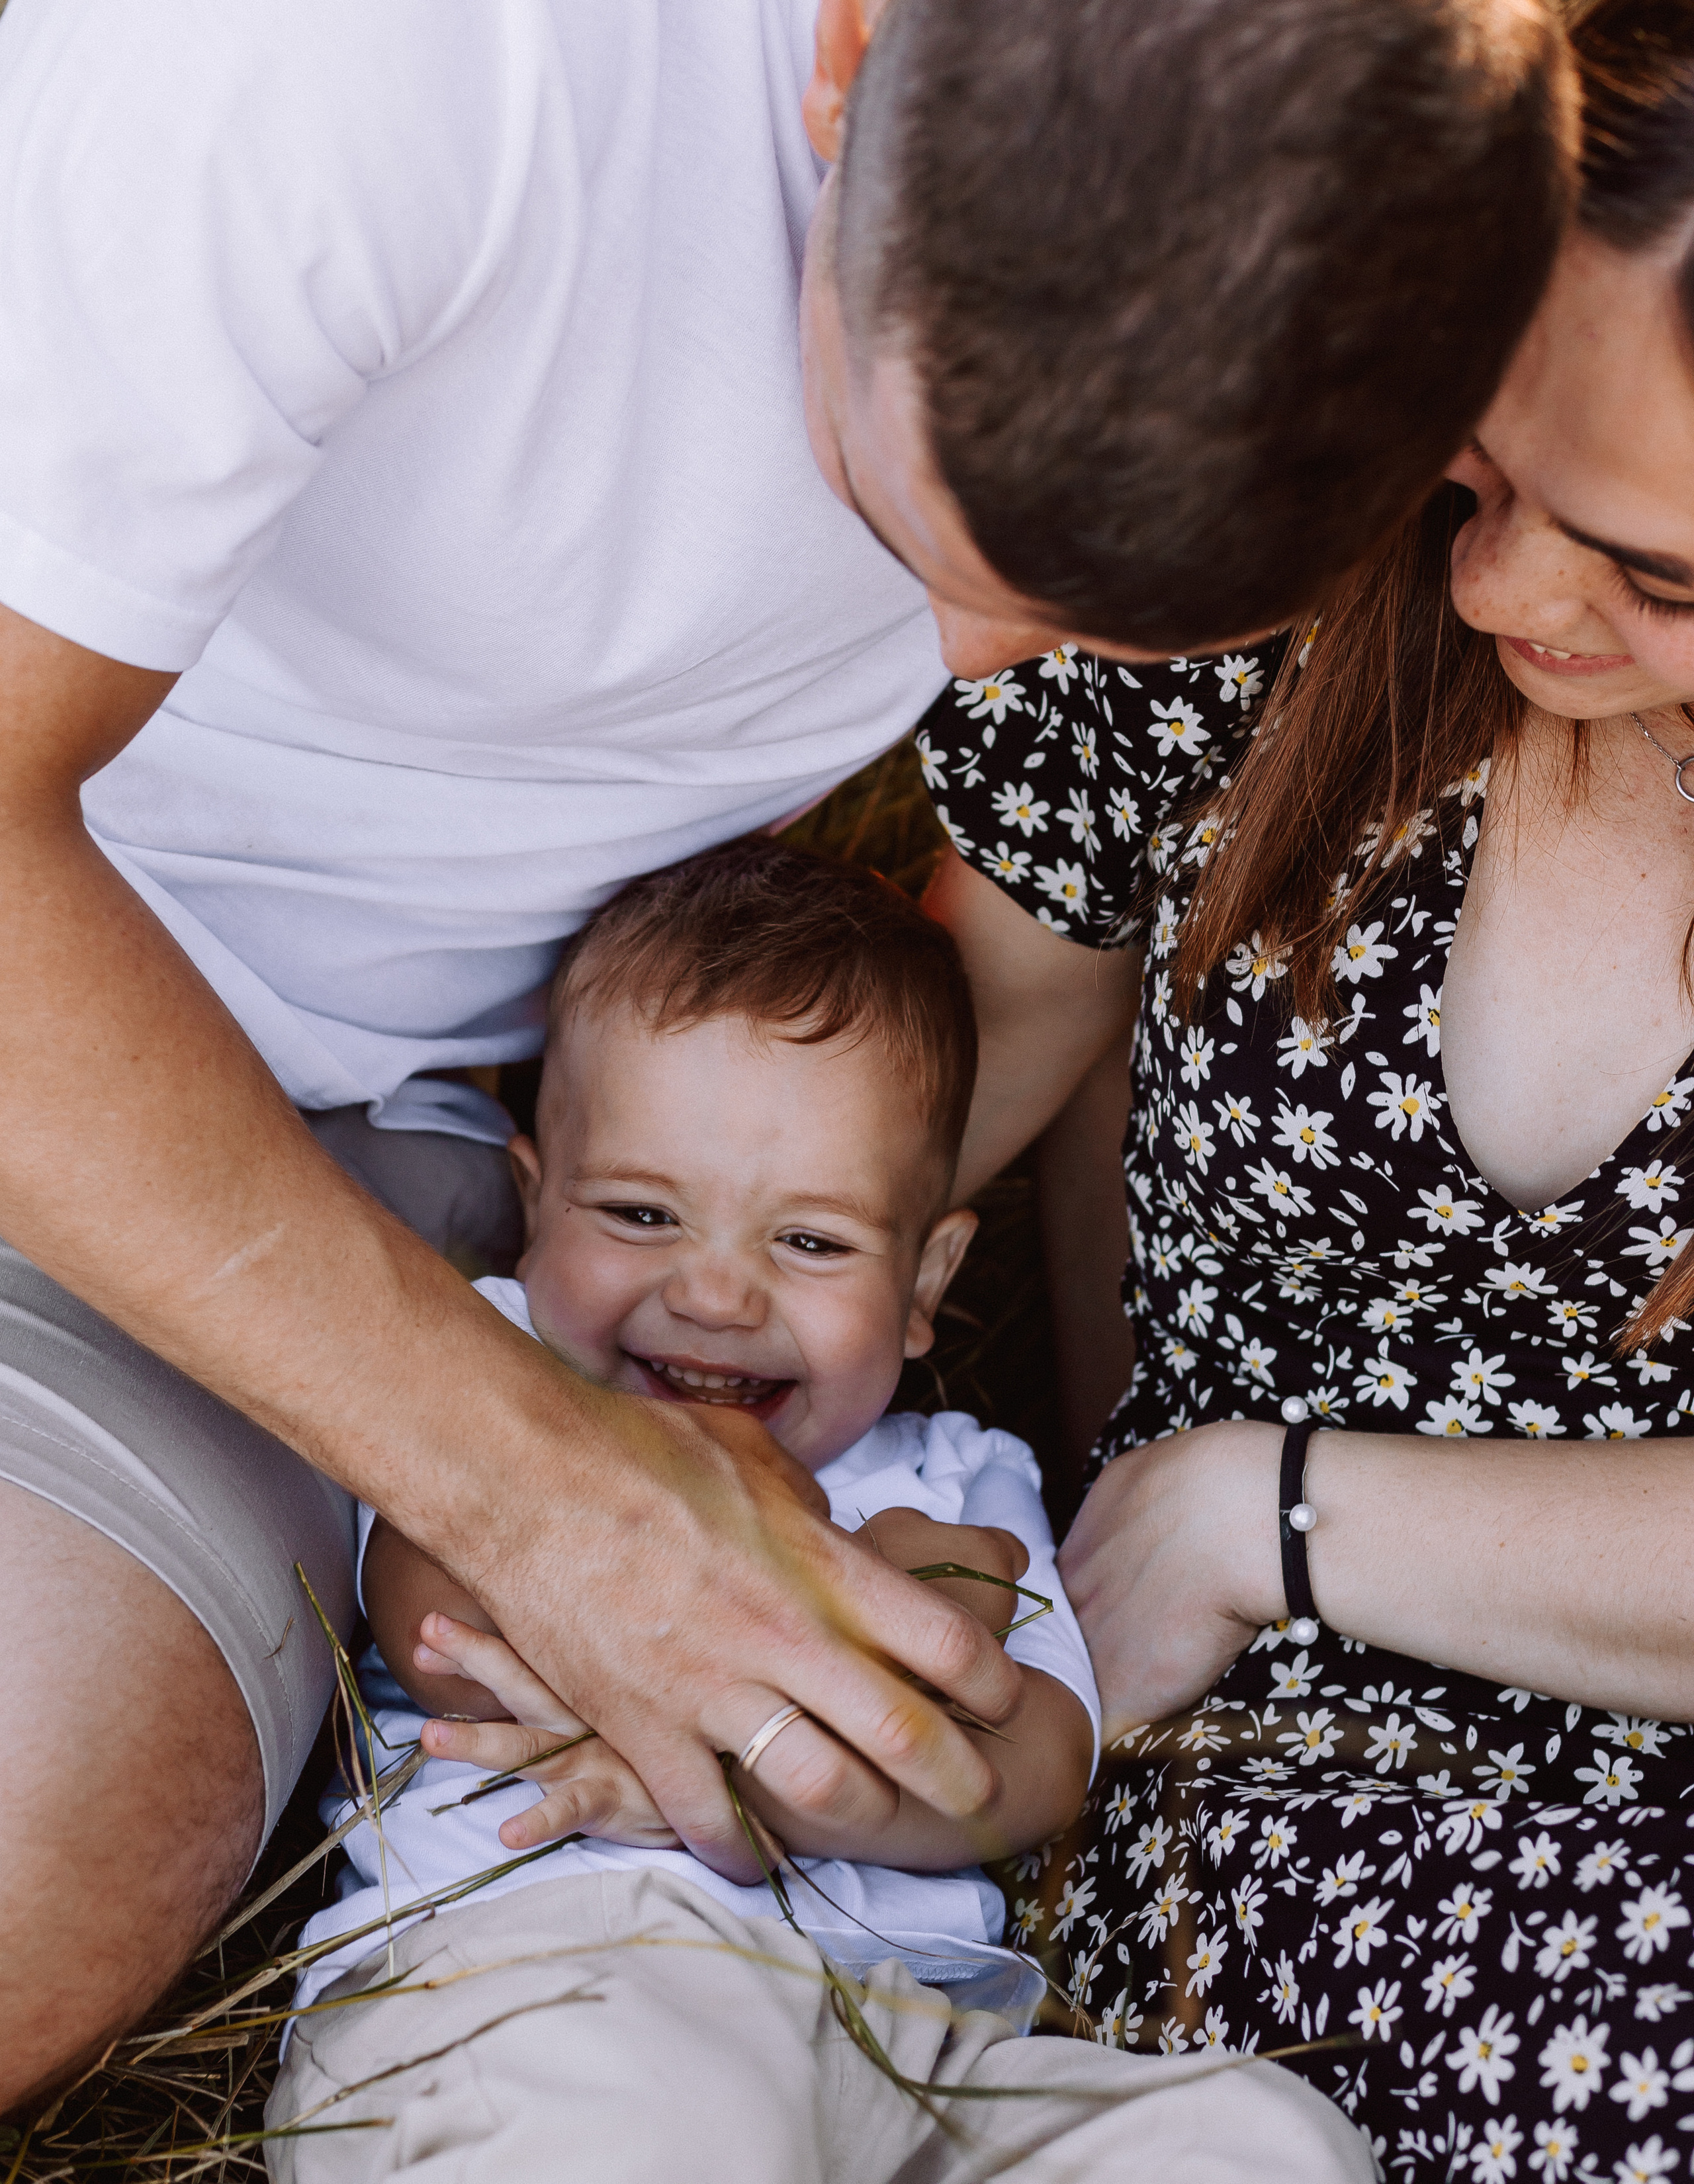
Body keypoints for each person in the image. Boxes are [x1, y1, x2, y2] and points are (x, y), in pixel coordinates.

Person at [0, 0, 1574, 2107]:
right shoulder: (372, 68)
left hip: (377, 1153)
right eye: (928, 527)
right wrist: (542, 1483)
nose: (980, 670)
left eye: (1129, 631)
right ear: (843, 66)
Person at [920, 1, 1694, 2171]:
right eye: (1494, 459)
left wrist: (1264, 1510)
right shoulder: (1266, 587)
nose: (1498, 583)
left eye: (1657, 574)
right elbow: (952, 1066)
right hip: (1284, 1781)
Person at [261, 836, 1370, 2184]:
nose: (718, 1295)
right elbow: (446, 1610)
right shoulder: (480, 1375)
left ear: (925, 1279)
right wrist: (870, 1619)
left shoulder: (963, 1476)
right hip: (553, 1973)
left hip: (908, 2049)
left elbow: (1025, 1767)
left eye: (810, 1242)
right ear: (533, 1200)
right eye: (639, 1211)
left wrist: (782, 1790)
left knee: (1256, 2142)